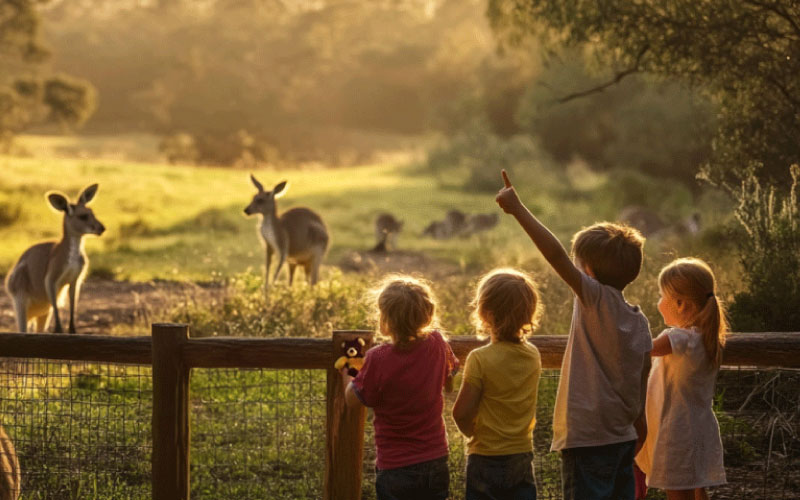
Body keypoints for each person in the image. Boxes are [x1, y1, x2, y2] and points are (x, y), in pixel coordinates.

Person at [496, 170, 653, 500]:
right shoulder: (641, 323)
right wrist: (639, 426)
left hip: (588, 439)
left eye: (579, 265)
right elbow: (642, 379)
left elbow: (554, 255)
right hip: (623, 437)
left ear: (589, 272)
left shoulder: (594, 299)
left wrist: (518, 209)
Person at [341, 274, 459, 500]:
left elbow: (352, 399)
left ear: (385, 321)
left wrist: (350, 369)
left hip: (395, 467)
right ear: (428, 314)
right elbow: (450, 376)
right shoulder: (437, 342)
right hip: (436, 459)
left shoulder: (378, 358)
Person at [635, 258, 727, 500]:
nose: (658, 303)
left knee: (678, 492)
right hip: (698, 427)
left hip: (676, 433)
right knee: (697, 488)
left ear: (680, 304)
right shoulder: (706, 338)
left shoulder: (678, 338)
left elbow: (641, 348)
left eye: (661, 296)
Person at [452, 268, 543, 500]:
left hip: (484, 456)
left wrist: (472, 434)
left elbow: (461, 413)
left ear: (486, 314)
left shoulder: (479, 359)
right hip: (522, 453)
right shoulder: (533, 355)